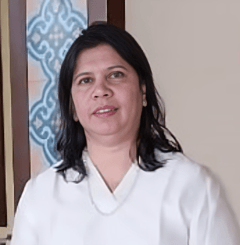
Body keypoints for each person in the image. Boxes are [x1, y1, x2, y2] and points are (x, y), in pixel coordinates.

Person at [11, 22, 240, 245]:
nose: (101, 90)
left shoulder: (193, 186)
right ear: (72, 107)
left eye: (116, 75)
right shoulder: (39, 196)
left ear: (143, 90)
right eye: (86, 80)